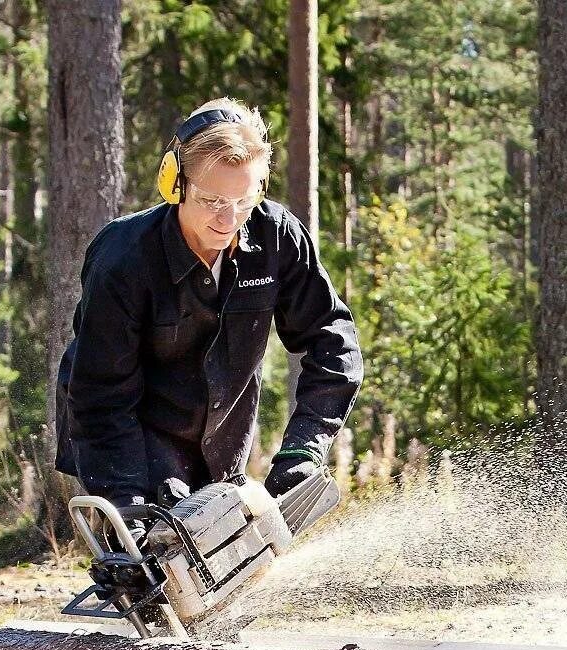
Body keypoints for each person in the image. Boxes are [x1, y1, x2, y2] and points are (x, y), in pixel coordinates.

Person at [54, 97, 363, 516]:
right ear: (175, 183)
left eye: (244, 201)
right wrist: (128, 503)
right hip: (132, 438)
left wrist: (303, 449)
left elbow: (334, 342)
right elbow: (101, 396)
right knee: (155, 566)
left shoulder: (277, 239)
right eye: (213, 201)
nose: (228, 218)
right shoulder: (123, 258)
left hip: (222, 441)